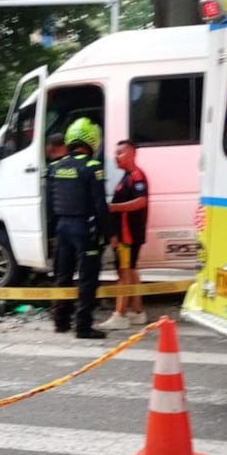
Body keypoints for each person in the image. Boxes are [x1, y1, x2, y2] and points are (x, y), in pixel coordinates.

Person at [47, 117, 115, 339]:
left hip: (61, 228)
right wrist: (110, 233)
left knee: (62, 275)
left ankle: (61, 321)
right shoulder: (92, 167)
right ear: (92, 141)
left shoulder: (55, 167)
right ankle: (83, 326)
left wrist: (51, 232)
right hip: (84, 228)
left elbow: (49, 205)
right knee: (87, 278)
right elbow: (100, 206)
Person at [98, 140, 150, 330]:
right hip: (126, 232)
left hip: (129, 234)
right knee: (131, 270)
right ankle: (137, 312)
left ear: (132, 154)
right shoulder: (126, 177)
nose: (115, 156)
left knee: (124, 272)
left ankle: (119, 314)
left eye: (120, 152)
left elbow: (141, 201)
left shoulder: (136, 176)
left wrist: (113, 207)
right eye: (115, 153)